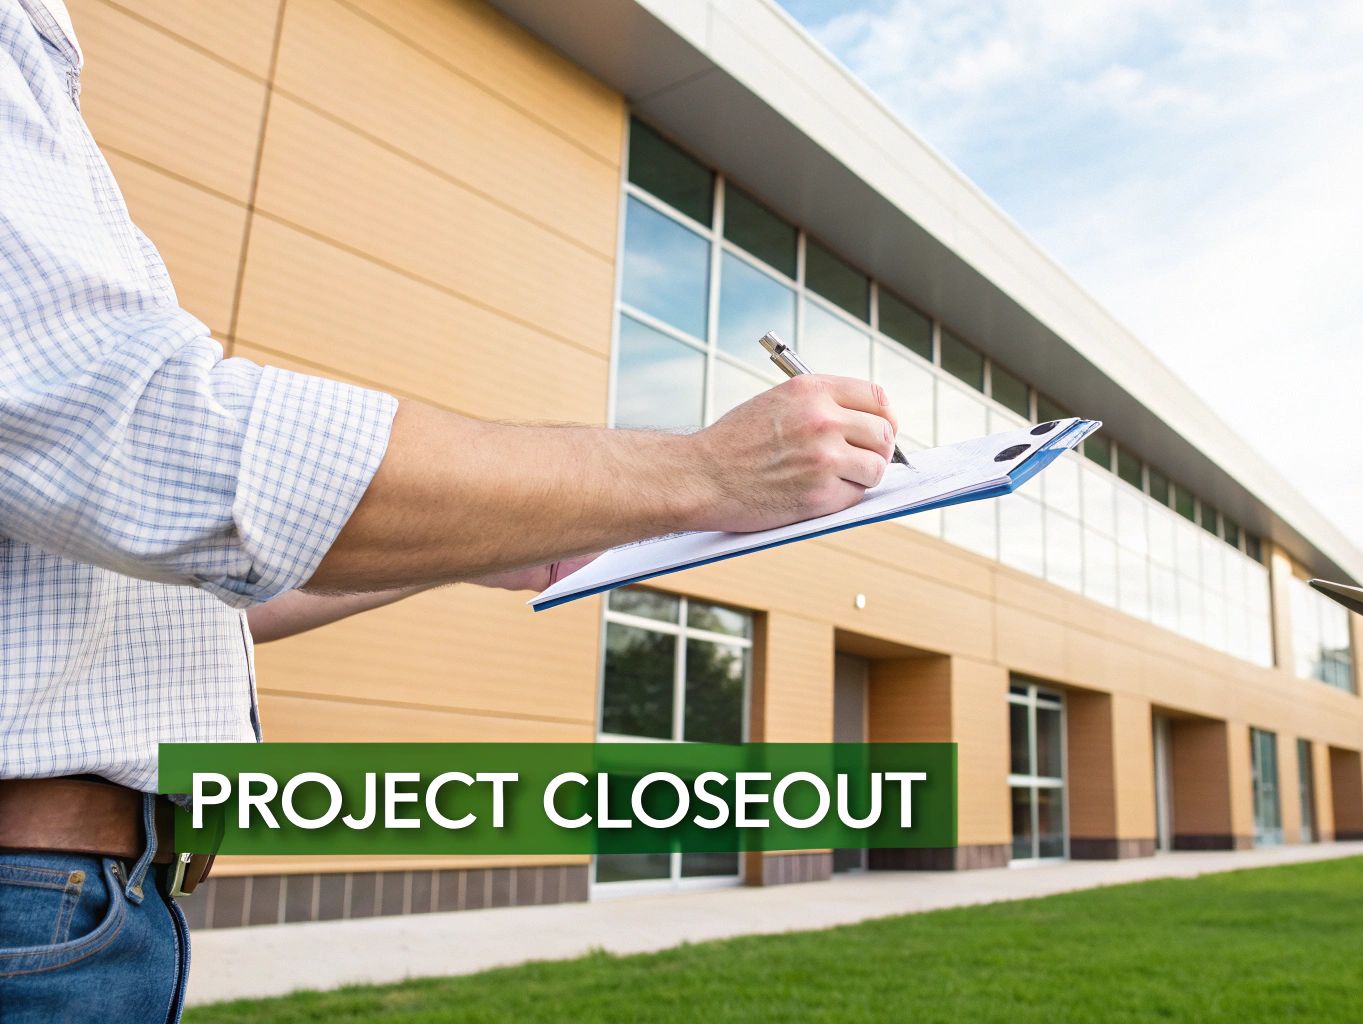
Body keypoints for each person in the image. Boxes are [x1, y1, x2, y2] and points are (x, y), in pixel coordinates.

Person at [0, 1, 901, 1020]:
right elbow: (149, 437)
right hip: (29, 907)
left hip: (91, 906)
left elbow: (157, 595)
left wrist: (452, 549)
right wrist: (705, 472)